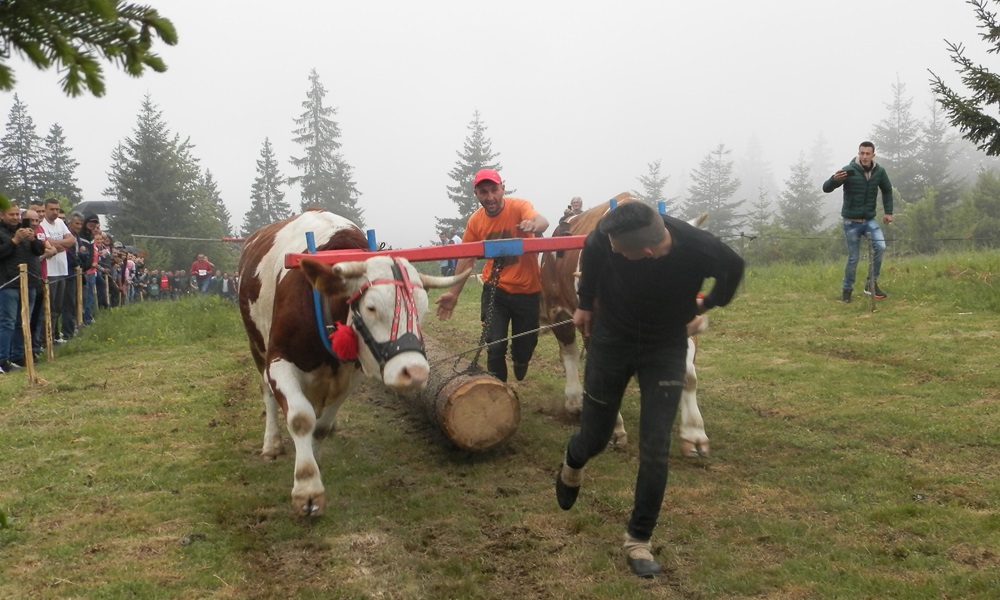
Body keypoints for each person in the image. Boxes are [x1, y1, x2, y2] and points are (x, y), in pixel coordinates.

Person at [554, 201, 744, 578]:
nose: (612, 249)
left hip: (665, 347)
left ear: (644, 252)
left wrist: (708, 302)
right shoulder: (609, 240)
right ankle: (572, 464)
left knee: (655, 447)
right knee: (595, 437)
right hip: (611, 341)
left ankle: (638, 539)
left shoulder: (698, 247)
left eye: (618, 249)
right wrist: (586, 303)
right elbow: (593, 247)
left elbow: (734, 267)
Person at [435, 168, 549, 382]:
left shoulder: (519, 207)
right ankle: (498, 391)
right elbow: (466, 258)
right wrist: (453, 294)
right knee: (494, 345)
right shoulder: (475, 221)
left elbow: (541, 220)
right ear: (476, 194)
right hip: (496, 291)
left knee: (524, 346)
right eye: (483, 192)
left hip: (528, 291)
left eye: (494, 190)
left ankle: (520, 360)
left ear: (502, 189)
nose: (490, 197)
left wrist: (533, 224)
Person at [822, 141, 893, 303]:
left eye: (868, 154)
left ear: (873, 155)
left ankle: (871, 284)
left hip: (869, 220)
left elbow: (887, 190)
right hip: (851, 222)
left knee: (881, 247)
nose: (864, 157)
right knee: (854, 258)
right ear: (858, 153)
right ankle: (847, 291)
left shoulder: (879, 172)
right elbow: (826, 188)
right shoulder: (848, 170)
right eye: (862, 153)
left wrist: (889, 212)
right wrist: (834, 179)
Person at [0, 199, 46, 373]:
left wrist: (33, 238)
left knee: (23, 322)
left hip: (30, 283)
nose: (15, 217)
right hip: (8, 283)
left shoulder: (26, 230)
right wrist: (14, 241)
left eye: (17, 214)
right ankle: (2, 359)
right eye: (11, 214)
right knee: (8, 323)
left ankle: (19, 356)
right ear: (2, 215)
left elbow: (40, 251)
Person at [39, 198, 74, 342]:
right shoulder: (42, 225)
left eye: (57, 209)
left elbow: (71, 241)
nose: (55, 212)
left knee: (58, 307)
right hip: (50, 271)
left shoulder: (60, 223)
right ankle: (44, 338)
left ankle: (52, 335)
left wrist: (58, 245)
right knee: (49, 306)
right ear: (45, 209)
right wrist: (62, 245)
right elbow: (48, 245)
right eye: (52, 209)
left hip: (62, 269)